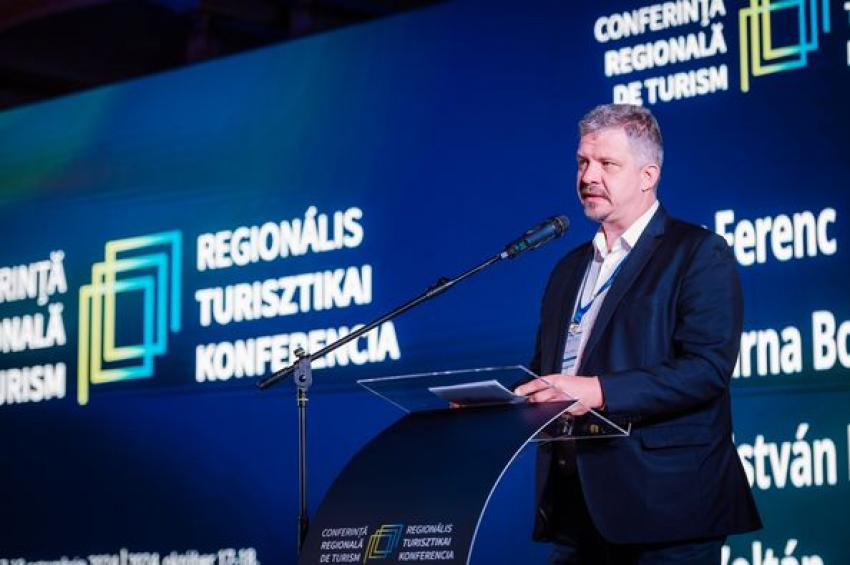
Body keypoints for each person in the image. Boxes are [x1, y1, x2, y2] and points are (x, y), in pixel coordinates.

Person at [514, 104, 761, 564]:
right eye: (582, 162)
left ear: (648, 175)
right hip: (575, 511)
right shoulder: (568, 269)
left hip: (666, 511)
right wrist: (497, 402)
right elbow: (550, 372)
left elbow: (706, 370)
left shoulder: (697, 252)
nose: (588, 176)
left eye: (607, 164)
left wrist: (598, 391)